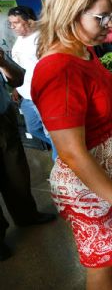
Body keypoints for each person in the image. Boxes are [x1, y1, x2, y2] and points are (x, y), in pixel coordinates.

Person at [32, 0, 112, 289]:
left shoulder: (81, 50)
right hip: (86, 184)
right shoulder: (58, 68)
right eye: (101, 18)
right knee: (103, 266)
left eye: (111, 16)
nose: (109, 26)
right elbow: (71, 151)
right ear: (71, 13)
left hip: (104, 173)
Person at [0, 49, 56, 262]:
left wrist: (3, 62)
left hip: (3, 118)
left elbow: (18, 77)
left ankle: (26, 215)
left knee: (16, 172)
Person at [7, 6, 56, 160]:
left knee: (51, 131)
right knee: (33, 129)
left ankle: (61, 161)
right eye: (11, 23)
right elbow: (19, 67)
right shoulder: (19, 40)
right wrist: (16, 87)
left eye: (16, 23)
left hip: (41, 95)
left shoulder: (41, 39)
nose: (12, 27)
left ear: (30, 22)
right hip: (26, 96)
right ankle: (63, 147)